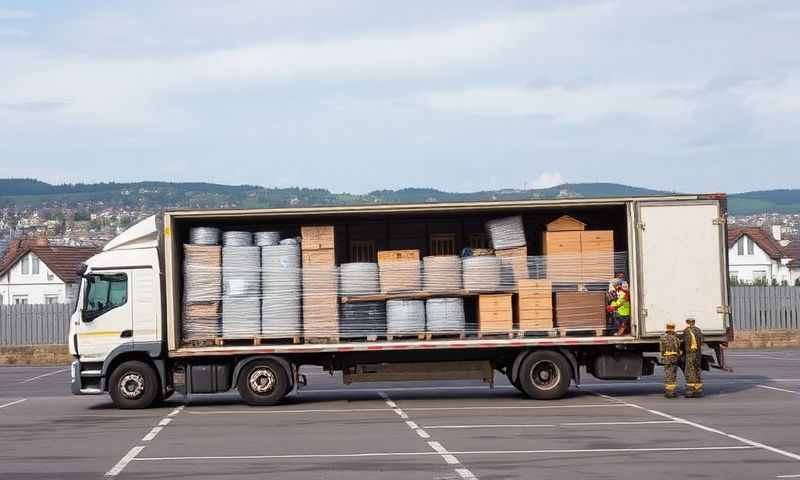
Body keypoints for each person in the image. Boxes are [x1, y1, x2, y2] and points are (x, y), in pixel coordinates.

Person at [681, 318, 704, 398]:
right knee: (697, 370)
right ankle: (698, 391)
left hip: (690, 354)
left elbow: (683, 343)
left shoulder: (686, 331)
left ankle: (690, 391)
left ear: (687, 323)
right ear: (694, 322)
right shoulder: (698, 330)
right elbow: (702, 342)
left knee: (689, 371)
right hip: (697, 354)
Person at [659, 322, 682, 398]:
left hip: (667, 357)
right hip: (675, 357)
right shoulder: (676, 338)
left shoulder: (663, 338)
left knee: (668, 374)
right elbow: (678, 349)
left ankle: (669, 392)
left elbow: (662, 349)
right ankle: (673, 391)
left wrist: (662, 356)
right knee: (674, 374)